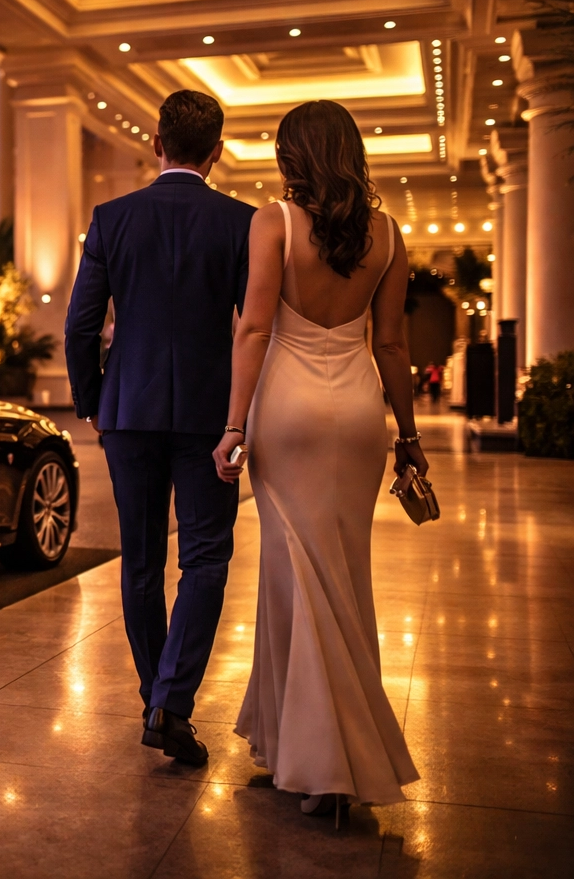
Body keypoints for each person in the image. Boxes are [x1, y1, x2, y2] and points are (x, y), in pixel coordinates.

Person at [212, 99, 423, 821]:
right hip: (361, 414)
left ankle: (317, 766)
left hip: (289, 413)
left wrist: (233, 425)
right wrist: (412, 437)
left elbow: (255, 330)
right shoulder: (389, 233)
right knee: (342, 576)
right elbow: (392, 344)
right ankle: (291, 743)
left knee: (291, 578)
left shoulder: (272, 221)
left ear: (292, 155)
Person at [65, 89, 255, 766]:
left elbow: (81, 324)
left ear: (156, 143)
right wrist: (245, 414)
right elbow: (253, 328)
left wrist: (92, 400)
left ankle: (157, 696)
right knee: (205, 558)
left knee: (140, 560)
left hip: (128, 412)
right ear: (217, 152)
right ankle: (170, 703)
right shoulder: (241, 222)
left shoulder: (112, 218)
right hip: (209, 417)